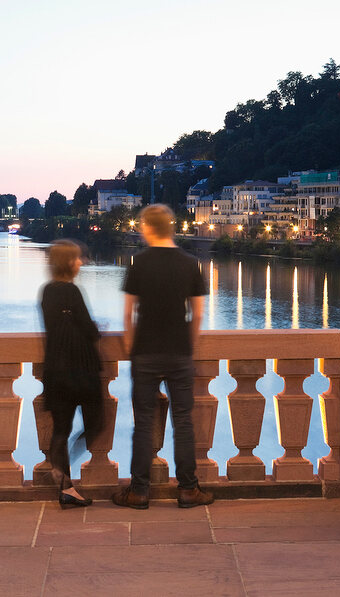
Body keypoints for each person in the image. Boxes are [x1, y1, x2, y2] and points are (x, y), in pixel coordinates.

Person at [112, 204, 214, 509]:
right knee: (183, 422)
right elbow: (197, 314)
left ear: (149, 228)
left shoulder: (138, 263)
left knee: (143, 423)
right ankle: (188, 489)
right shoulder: (191, 263)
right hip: (178, 352)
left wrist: (132, 347)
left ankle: (139, 491)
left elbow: (128, 313)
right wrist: (189, 346)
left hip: (145, 351)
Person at [39, 239, 104, 508]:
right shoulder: (71, 292)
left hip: (55, 368)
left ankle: (64, 483)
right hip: (80, 368)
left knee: (61, 428)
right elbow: (89, 329)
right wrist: (97, 328)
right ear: (67, 262)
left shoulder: (47, 291)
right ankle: (62, 474)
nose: (81, 262)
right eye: (77, 258)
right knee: (96, 422)